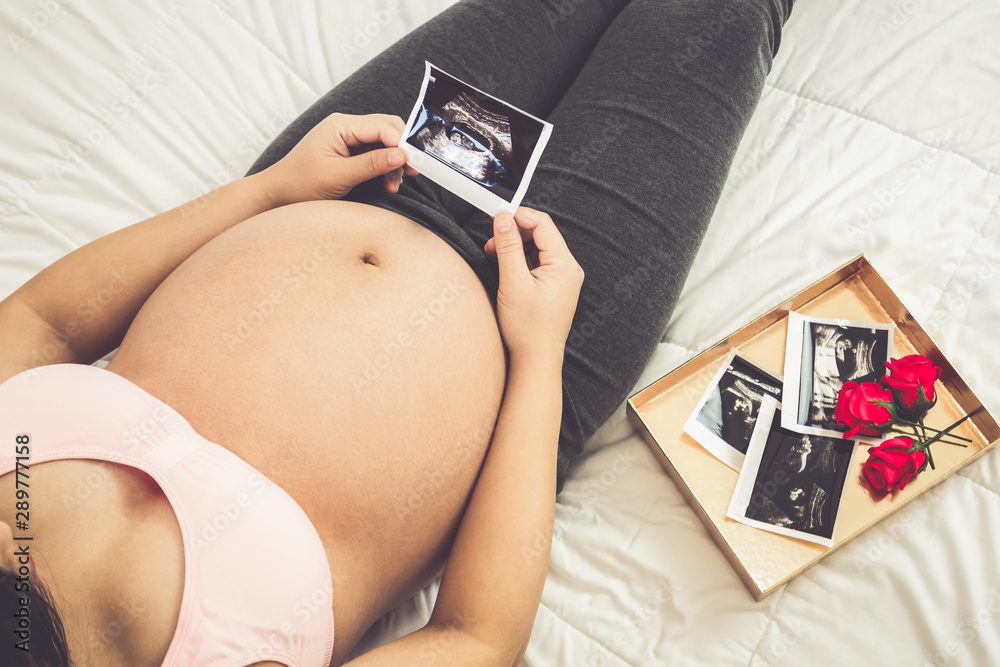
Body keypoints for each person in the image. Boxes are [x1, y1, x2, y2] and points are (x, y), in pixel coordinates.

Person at [0, 0, 793, 664]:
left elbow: (44, 320)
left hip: (331, 181)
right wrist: (542, 357)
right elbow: (475, 638)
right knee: (724, 16)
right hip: (535, 333)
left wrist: (268, 190)